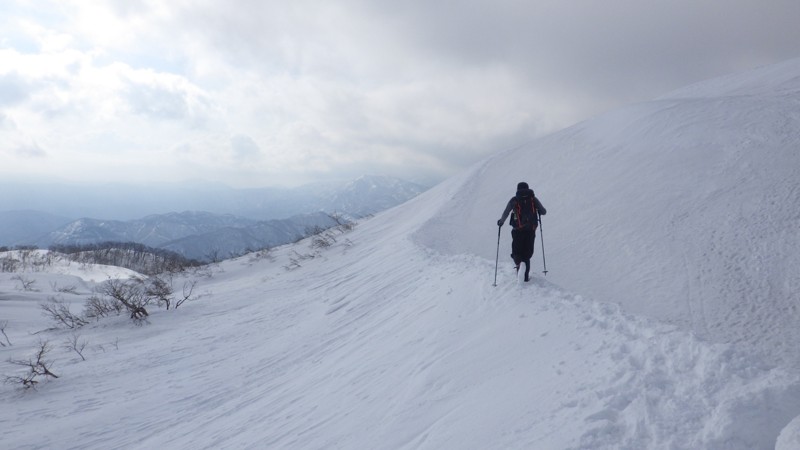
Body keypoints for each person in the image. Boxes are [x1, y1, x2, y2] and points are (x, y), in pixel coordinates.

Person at [497, 182, 546, 282]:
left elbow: (506, 212)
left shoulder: (515, 200)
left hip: (518, 230)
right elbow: (544, 211)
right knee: (527, 254)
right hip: (530, 230)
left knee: (517, 252)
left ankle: (519, 265)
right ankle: (525, 278)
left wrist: (501, 222)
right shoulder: (533, 199)